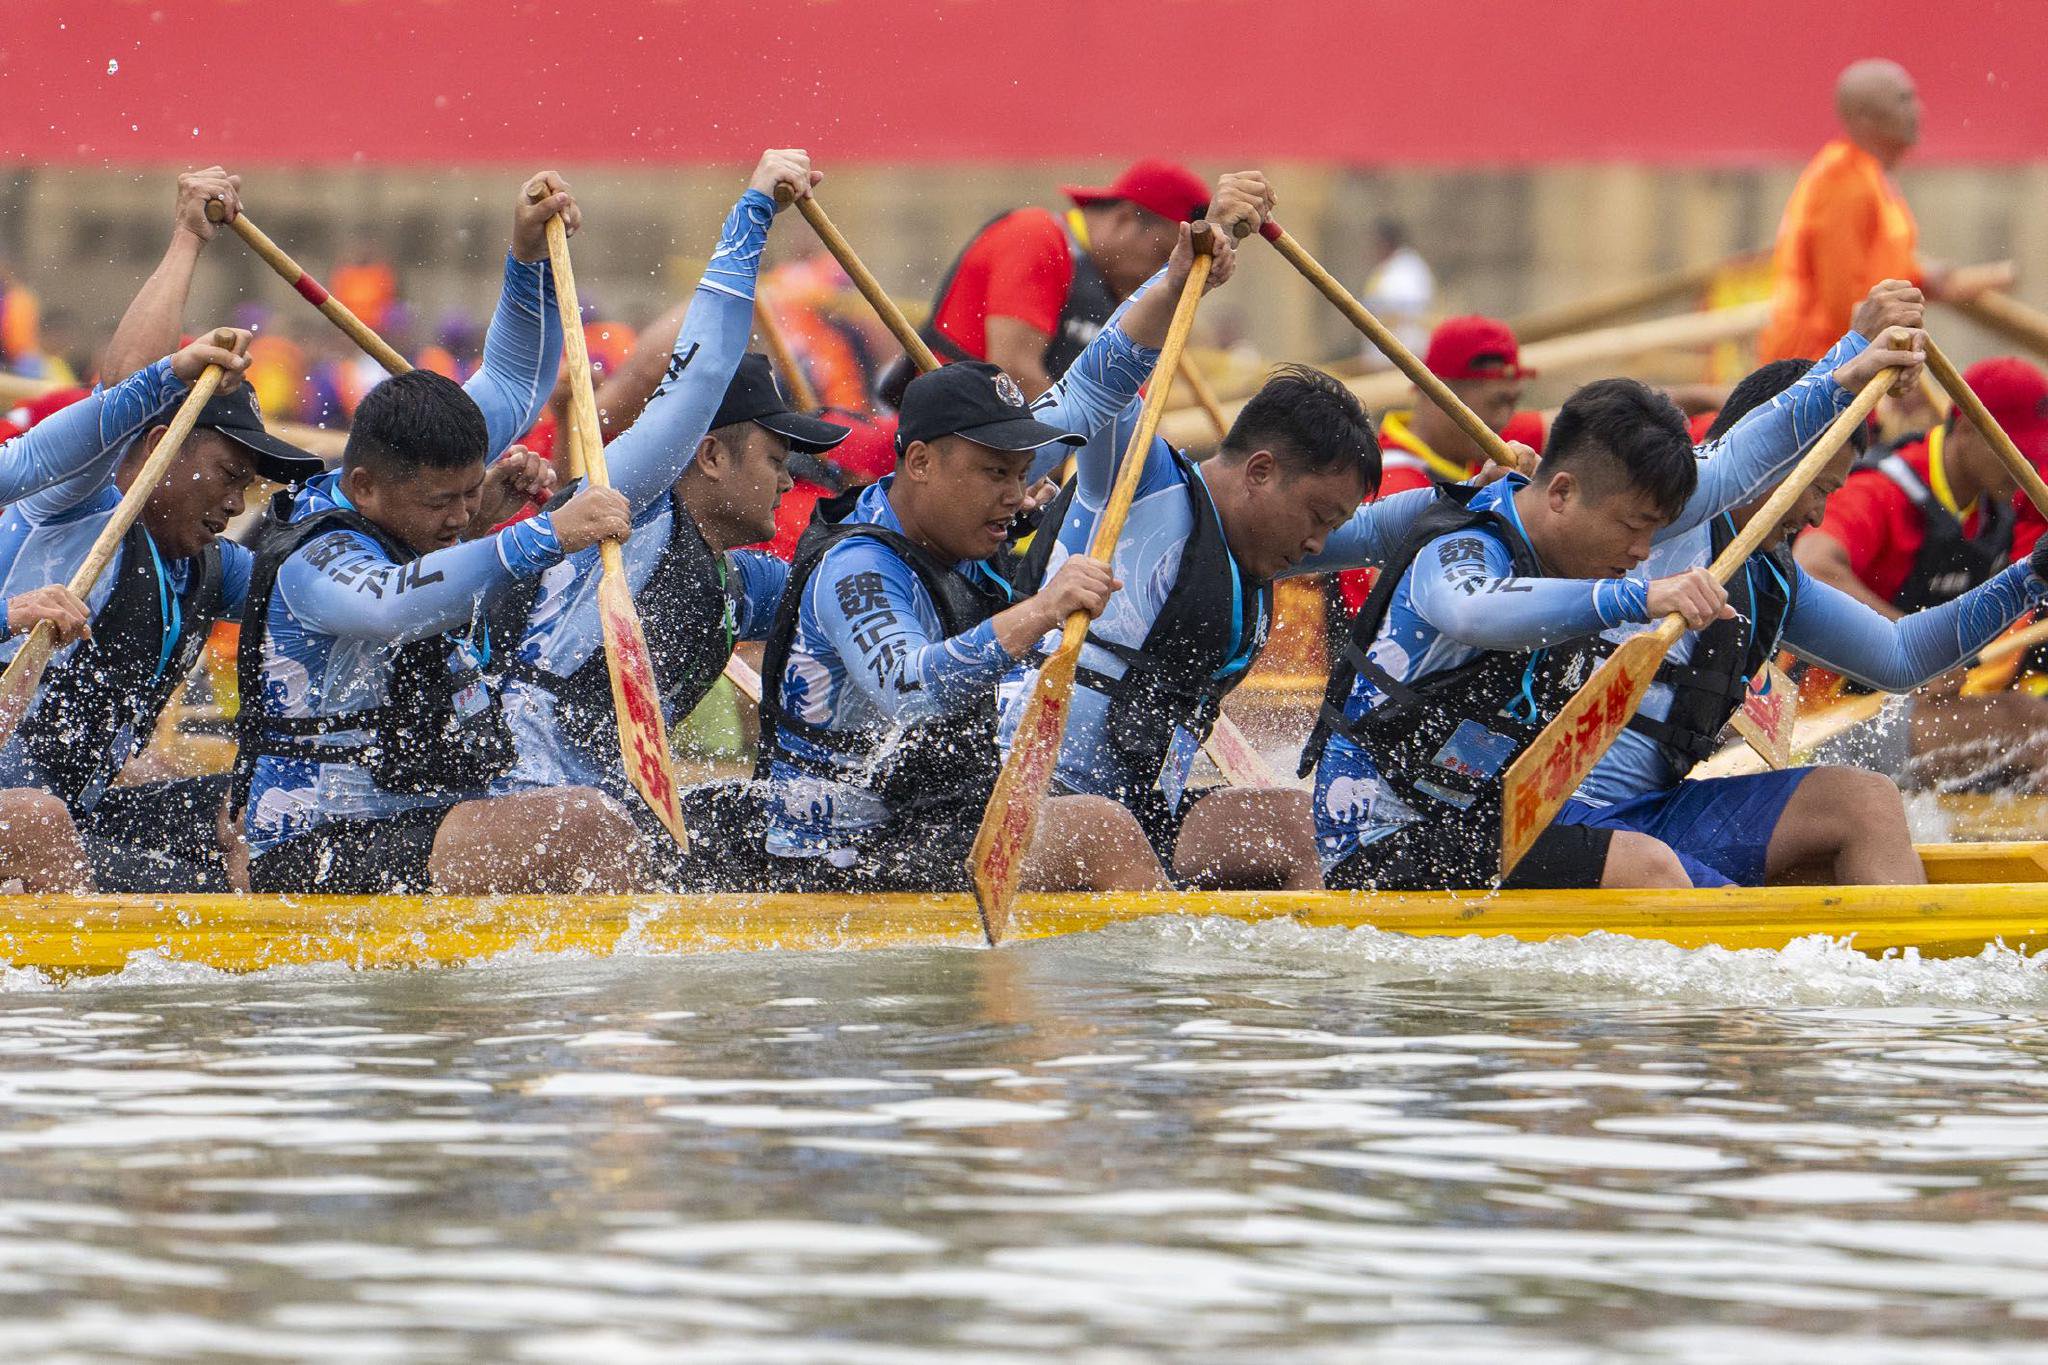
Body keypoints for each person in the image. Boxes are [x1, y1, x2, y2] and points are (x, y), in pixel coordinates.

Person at [1306, 305, 1928, 893]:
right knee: (1649, 868)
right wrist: (1635, 597)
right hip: (1383, 835)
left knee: (1833, 820)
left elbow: (1736, 464)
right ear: (1561, 493)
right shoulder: (1464, 544)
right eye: (1633, 529)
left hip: (1484, 818)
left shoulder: (1551, 522)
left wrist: (1850, 368)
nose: (1643, 551)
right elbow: (1470, 609)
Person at [752, 218, 1246, 894]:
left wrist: (1173, 283)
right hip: (832, 859)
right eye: (997, 475)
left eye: (1022, 473)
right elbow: (911, 690)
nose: (1016, 496)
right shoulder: (857, 568)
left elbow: (1092, 389)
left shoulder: (967, 489)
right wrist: (1043, 609)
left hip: (925, 822)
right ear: (920, 463)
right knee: (1099, 829)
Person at [234, 173, 650, 896]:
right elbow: (392, 603)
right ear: (365, 486)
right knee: (583, 824)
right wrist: (545, 535)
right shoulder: (317, 556)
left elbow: (515, 382)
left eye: (470, 493)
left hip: (412, 818)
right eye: (442, 502)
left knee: (606, 809)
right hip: (312, 848)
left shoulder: (417, 466)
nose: (461, 515)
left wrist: (526, 256)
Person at [1552, 355, 2048, 886]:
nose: (1817, 514)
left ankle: (1904, 942)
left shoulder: (1773, 576)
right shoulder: (1661, 511)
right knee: (1675, 877)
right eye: (1818, 488)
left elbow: (1901, 656)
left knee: (1865, 800)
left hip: (1654, 812)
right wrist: (1860, 349)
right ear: (1770, 456)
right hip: (1550, 818)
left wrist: (2030, 577)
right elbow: (1737, 453)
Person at [496, 151, 849, 833]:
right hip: (517, 802)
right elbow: (698, 370)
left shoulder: (739, 582)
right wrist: (753, 212)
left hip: (604, 819)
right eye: (776, 460)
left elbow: (842, 589)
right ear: (709, 455)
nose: (787, 480)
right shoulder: (629, 503)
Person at [1795, 354, 2048, 790]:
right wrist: (1921, 649)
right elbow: (1811, 567)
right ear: (1968, 428)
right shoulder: (1881, 491)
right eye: (2019, 453)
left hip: (1910, 714)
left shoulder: (1995, 507)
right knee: (2035, 727)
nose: (2030, 470)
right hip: (1823, 722)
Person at [883, 157, 1216, 403]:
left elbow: (1127, 405)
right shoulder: (1035, 236)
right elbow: (1014, 371)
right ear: (1124, 219)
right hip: (956, 442)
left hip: (1025, 457)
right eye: (1162, 255)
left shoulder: (1113, 289)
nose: (1162, 274)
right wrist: (1092, 446)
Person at [1758, 58, 2013, 363]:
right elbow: (1842, 303)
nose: (1918, 110)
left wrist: (1922, 277)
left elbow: (1879, 268)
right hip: (1817, 365)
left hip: (1856, 359)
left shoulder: (1873, 177)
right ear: (1865, 118)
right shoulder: (1843, 181)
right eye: (1903, 100)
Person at [1332, 315, 1534, 618]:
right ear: (1439, 393)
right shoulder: (1396, 483)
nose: (1505, 420)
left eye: (1513, 402)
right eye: (1497, 402)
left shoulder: (1470, 447)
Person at [1358, 218, 1436, 370]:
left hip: (1402, 359)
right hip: (1381, 359)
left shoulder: (1407, 270)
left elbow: (1404, 317)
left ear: (1385, 243)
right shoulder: (1385, 268)